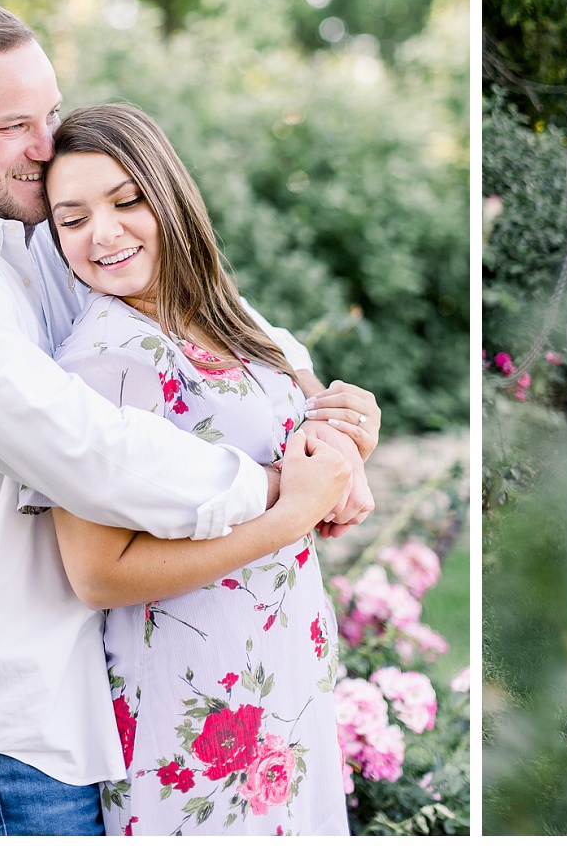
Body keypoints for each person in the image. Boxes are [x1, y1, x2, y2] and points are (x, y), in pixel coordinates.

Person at [0, 0, 375, 835]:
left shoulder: (36, 231)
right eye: (12, 125)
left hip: (95, 697)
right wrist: (289, 491)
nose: (44, 144)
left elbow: (226, 332)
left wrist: (342, 430)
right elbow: (95, 454)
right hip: (4, 724)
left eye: (51, 112)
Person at [22, 103, 359, 834]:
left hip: (282, 673)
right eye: (71, 219)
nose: (102, 234)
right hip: (193, 704)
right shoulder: (106, 359)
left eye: (125, 200)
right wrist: (290, 518)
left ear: (167, 193)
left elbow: (309, 414)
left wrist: (351, 437)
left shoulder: (219, 314)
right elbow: (98, 574)